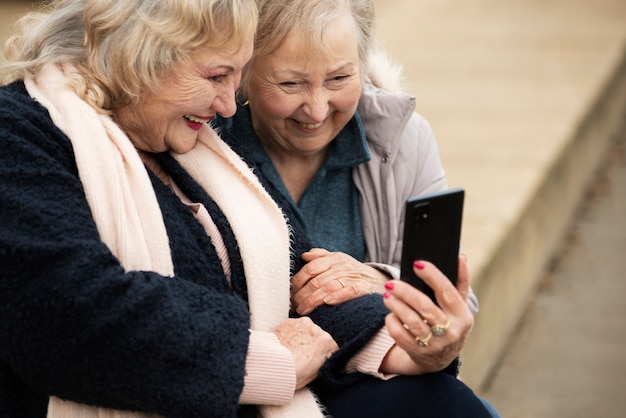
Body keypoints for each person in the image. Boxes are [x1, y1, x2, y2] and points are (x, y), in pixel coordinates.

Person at [0, 0, 493, 417]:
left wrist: (398, 347)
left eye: (233, 77)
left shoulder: (187, 138)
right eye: (217, 75)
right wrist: (260, 359)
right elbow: (66, 313)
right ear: (140, 55)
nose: (229, 106)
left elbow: (302, 274)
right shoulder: (19, 135)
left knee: (445, 401)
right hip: (175, 392)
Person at [212, 0, 500, 416]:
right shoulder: (206, 144)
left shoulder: (402, 139)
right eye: (291, 84)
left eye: (339, 78)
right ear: (244, 73)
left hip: (372, 371)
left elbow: (452, 300)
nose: (316, 108)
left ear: (362, 66)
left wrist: (377, 281)